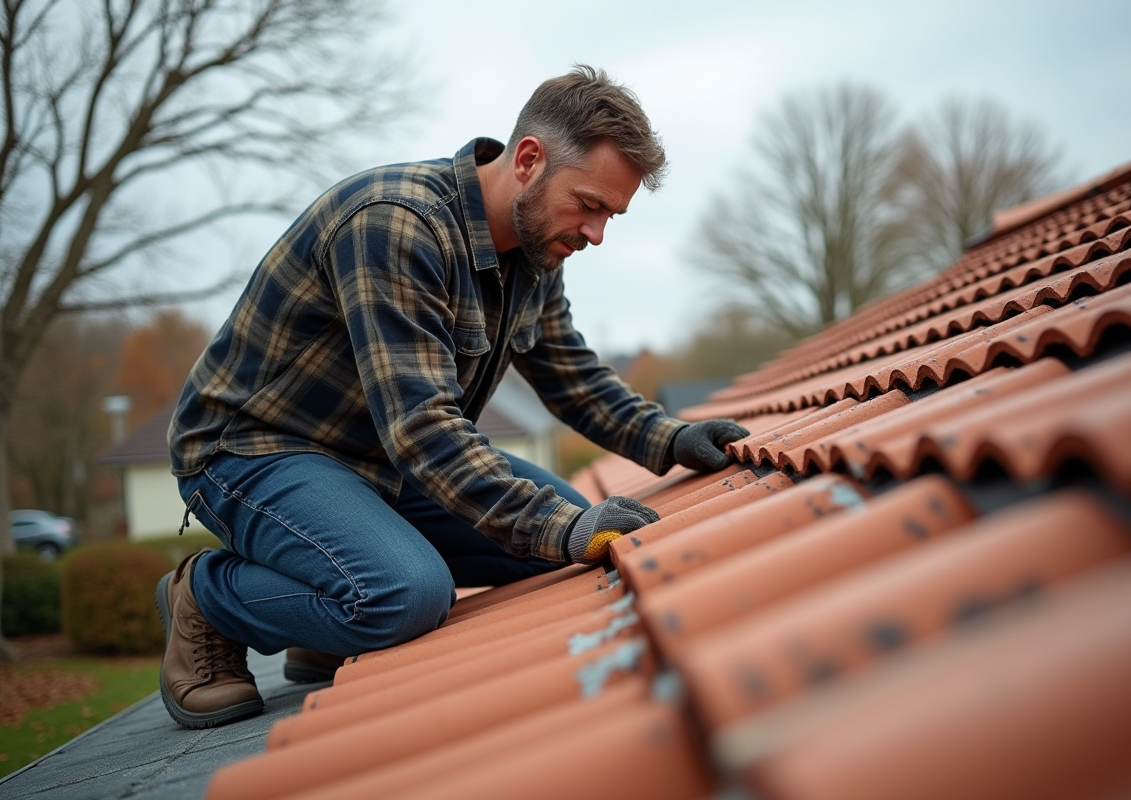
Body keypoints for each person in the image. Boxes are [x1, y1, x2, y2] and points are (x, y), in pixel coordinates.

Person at [156, 64, 748, 729]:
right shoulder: (397, 224)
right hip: (254, 451)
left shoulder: (536, 253)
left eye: (611, 215)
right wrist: (556, 527)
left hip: (379, 461)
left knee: (575, 523)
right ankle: (207, 598)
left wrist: (670, 440)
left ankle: (323, 615)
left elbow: (574, 378)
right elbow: (423, 429)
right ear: (528, 160)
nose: (597, 233)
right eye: (589, 204)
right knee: (405, 593)